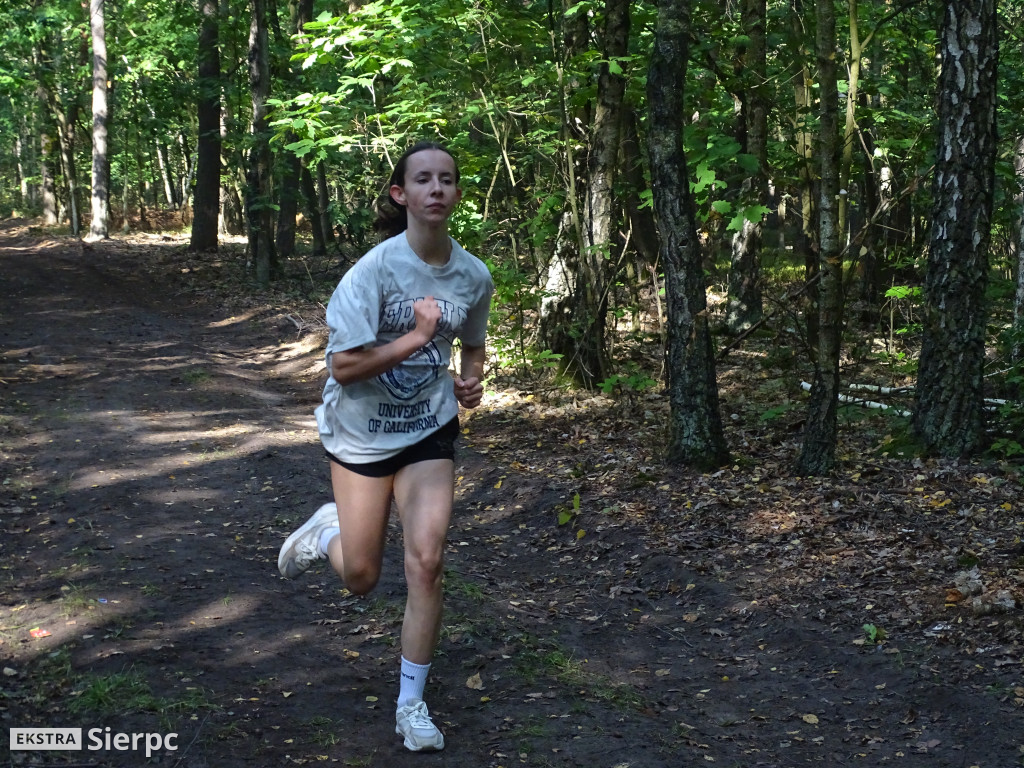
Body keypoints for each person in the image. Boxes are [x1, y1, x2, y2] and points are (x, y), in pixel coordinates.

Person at [277, 141, 493, 753]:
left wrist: (471, 378)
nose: (436, 189)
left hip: (429, 428)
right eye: (422, 179)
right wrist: (418, 336)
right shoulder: (372, 271)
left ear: (454, 195)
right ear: (402, 196)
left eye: (446, 180)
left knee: (426, 561)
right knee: (363, 577)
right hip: (361, 435)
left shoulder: (472, 274)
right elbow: (344, 367)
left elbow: (471, 341)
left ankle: (410, 705)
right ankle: (327, 533)